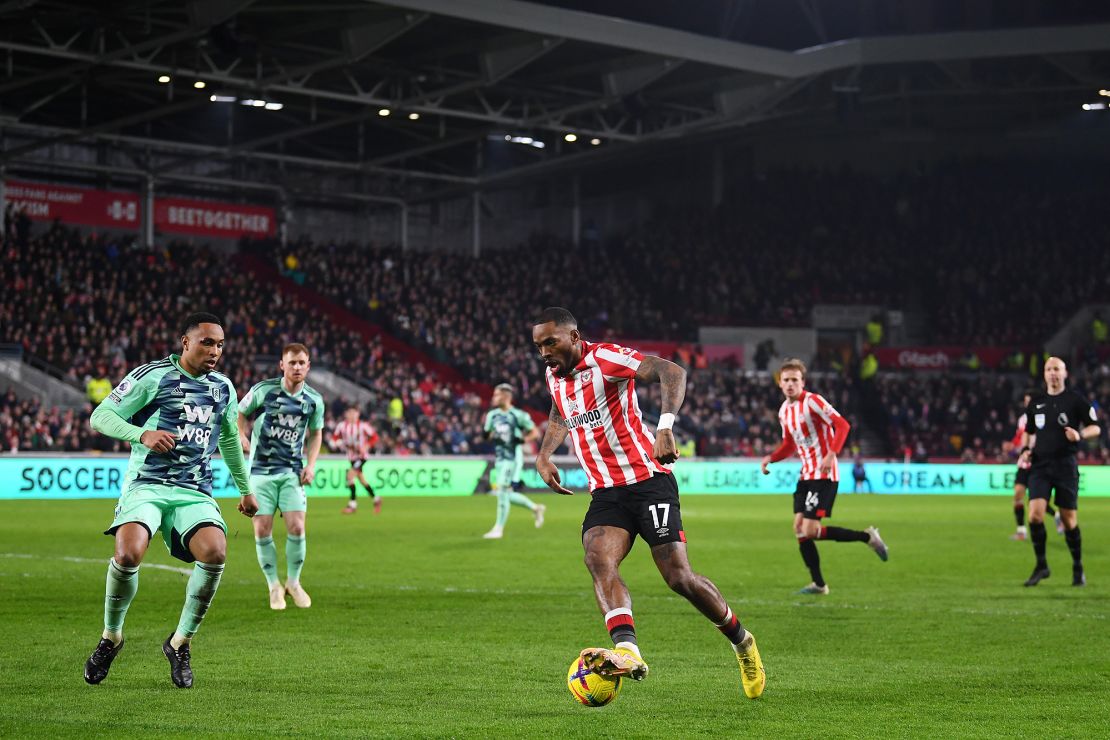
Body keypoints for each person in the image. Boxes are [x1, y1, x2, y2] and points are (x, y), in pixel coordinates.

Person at [531, 307, 765, 700]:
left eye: (550, 342)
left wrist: (665, 427)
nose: (544, 352)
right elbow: (559, 413)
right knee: (597, 558)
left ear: (574, 337)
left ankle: (742, 642)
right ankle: (627, 650)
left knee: (679, 578)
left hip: (648, 481)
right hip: (606, 492)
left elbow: (671, 371)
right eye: (538, 345)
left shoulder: (605, 358)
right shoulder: (554, 376)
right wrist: (544, 454)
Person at [83, 312, 258, 689]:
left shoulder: (223, 388)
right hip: (147, 483)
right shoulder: (153, 375)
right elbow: (102, 415)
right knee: (128, 553)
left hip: (193, 490)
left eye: (221, 344)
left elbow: (228, 439)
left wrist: (245, 489)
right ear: (186, 342)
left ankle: (180, 643)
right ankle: (111, 637)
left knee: (215, 552)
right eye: (207, 342)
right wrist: (140, 434)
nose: (215, 351)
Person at [761, 358, 888, 595]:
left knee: (808, 529)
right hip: (805, 475)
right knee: (799, 528)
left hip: (824, 474)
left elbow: (842, 425)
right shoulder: (784, 411)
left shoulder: (813, 402)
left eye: (794, 380)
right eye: (786, 380)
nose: (790, 384)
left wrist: (831, 454)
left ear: (802, 382)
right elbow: (789, 444)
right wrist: (772, 458)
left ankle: (867, 537)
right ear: (780, 383)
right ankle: (819, 584)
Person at [237, 343, 325, 610]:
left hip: (291, 471)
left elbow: (316, 434)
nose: (297, 367)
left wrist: (310, 466)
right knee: (262, 529)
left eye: (301, 363)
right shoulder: (264, 390)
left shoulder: (314, 400)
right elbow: (239, 413)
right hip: (261, 472)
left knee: (297, 527)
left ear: (308, 366)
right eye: (292, 362)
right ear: (282, 365)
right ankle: (273, 585)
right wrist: (240, 434)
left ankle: (294, 583)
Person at [1019, 357, 1101, 587]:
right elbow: (1029, 431)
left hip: (1065, 466)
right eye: (1048, 369)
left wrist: (1080, 435)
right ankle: (1042, 565)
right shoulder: (1036, 402)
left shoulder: (1075, 400)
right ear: (1044, 374)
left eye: (1057, 369)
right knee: (1034, 515)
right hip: (1040, 466)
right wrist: (1026, 449)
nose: (1052, 373)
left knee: (1069, 521)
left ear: (1065, 373)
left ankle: (1077, 566)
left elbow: (1096, 427)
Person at [482, 382, 544, 539]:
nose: (494, 397)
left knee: (502, 490)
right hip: (500, 457)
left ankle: (498, 528)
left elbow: (535, 433)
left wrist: (520, 440)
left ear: (506, 396)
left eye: (497, 394)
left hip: (513, 458)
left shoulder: (518, 415)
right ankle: (535, 508)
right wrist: (495, 436)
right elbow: (486, 435)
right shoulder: (492, 415)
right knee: (505, 493)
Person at [1009, 389, 1059, 541]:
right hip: (1025, 462)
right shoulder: (1023, 419)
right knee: (1018, 494)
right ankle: (1021, 530)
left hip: (1040, 462)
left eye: (1029, 401)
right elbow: (1020, 438)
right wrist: (1014, 447)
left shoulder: (1046, 417)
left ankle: (1057, 515)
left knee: (1035, 501)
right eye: (1025, 402)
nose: (1027, 404)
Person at [329, 406, 381, 514]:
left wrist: (366, 446)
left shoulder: (363, 426)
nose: (352, 415)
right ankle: (376, 499)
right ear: (346, 414)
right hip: (351, 457)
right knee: (362, 480)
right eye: (350, 412)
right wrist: (334, 443)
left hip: (362, 457)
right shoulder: (342, 426)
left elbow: (375, 437)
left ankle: (352, 505)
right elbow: (334, 438)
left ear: (358, 414)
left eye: (354, 412)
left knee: (350, 476)